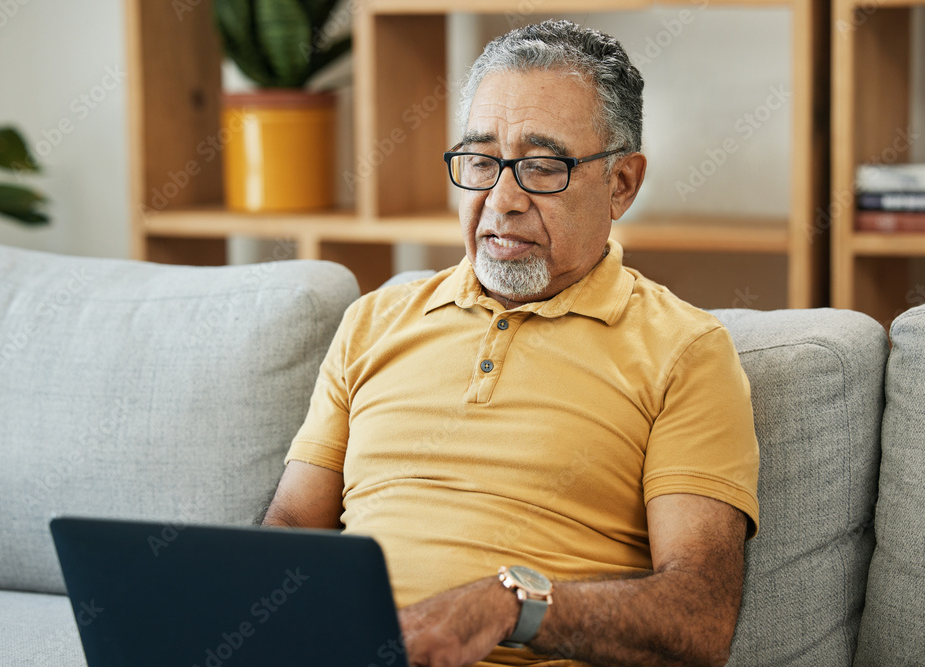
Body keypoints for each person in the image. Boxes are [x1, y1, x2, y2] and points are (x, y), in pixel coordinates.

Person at [263, 19, 759, 667]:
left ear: (622, 185)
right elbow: (291, 531)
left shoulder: (686, 351)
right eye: (479, 160)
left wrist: (509, 605)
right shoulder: (373, 321)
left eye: (543, 166)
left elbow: (699, 618)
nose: (501, 200)